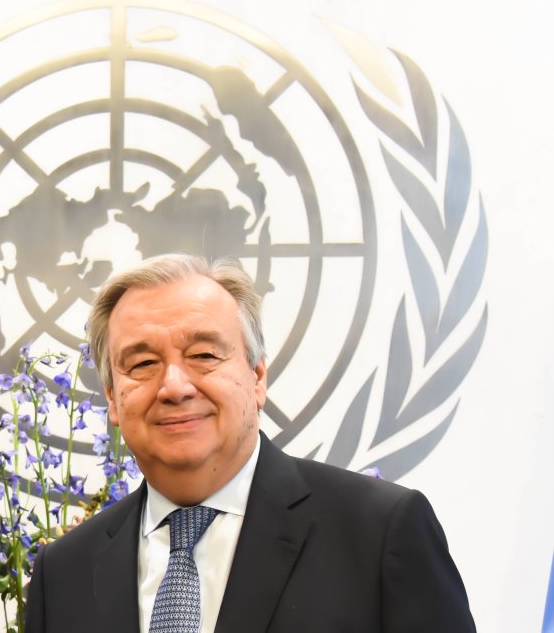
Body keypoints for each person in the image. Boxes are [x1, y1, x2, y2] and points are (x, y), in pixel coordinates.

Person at [26, 254, 475, 633]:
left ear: (257, 377)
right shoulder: (63, 573)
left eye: (204, 355)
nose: (174, 386)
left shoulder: (379, 533)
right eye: (142, 363)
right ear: (112, 398)